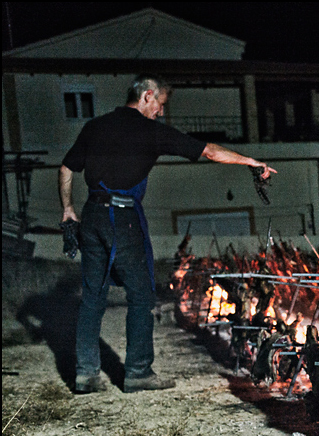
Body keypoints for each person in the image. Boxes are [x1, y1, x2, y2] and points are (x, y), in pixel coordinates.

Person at [59, 74, 276, 394]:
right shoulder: (150, 131)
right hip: (122, 216)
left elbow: (66, 168)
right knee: (141, 295)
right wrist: (252, 162)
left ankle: (85, 374)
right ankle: (137, 373)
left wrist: (68, 209)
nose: (161, 112)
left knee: (92, 298)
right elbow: (210, 152)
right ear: (147, 96)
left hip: (91, 214)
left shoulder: (95, 126)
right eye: (160, 104)